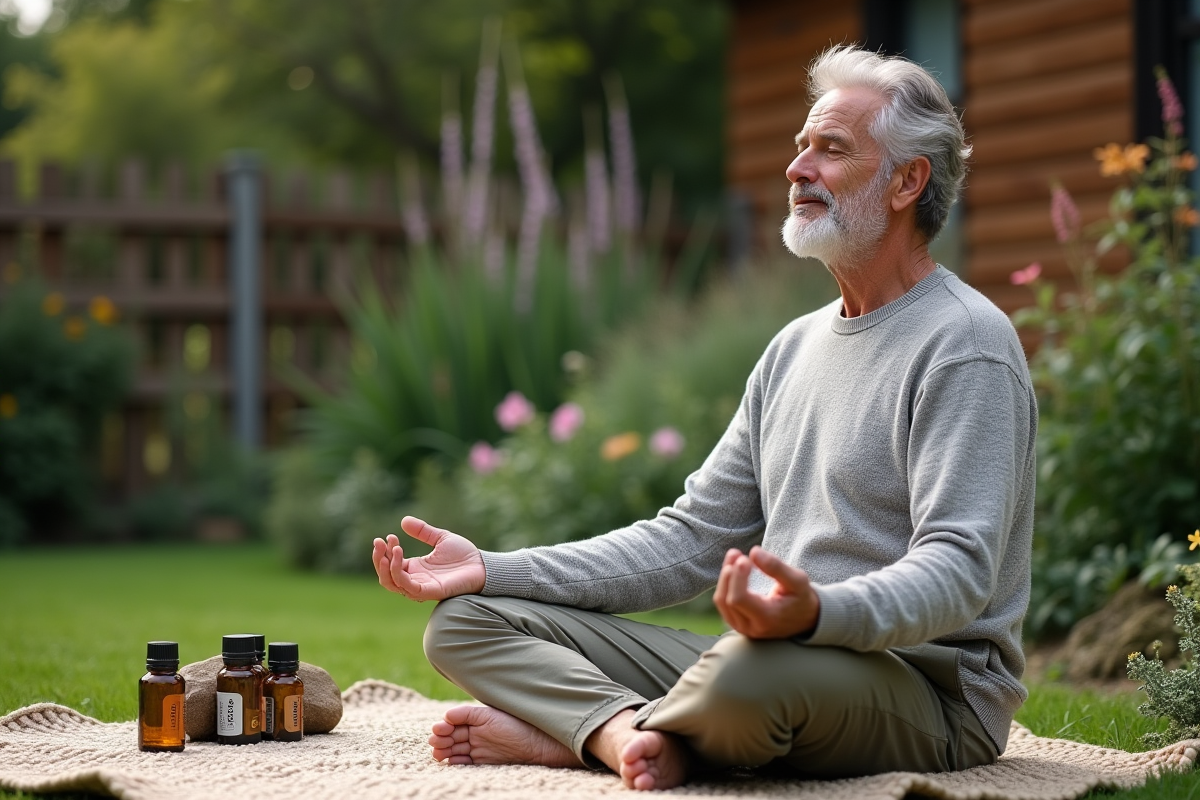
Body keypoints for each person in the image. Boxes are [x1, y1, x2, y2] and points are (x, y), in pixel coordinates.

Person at [372, 44, 1035, 791]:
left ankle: (586, 733)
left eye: (832, 149)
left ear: (907, 182)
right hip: (777, 657)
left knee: (742, 677)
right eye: (800, 146)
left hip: (927, 694)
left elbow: (958, 570)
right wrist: (494, 570)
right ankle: (625, 736)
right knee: (467, 622)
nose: (797, 169)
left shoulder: (965, 344)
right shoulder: (792, 348)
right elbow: (688, 541)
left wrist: (816, 614)